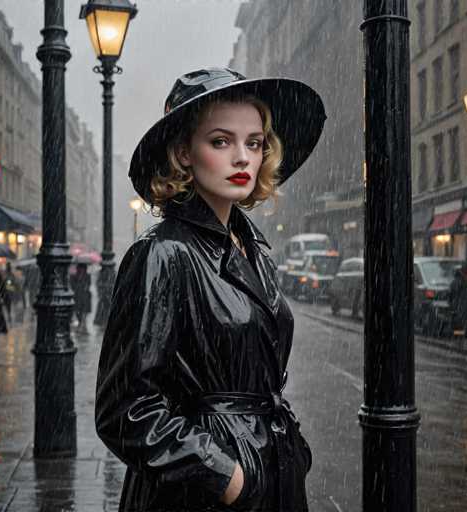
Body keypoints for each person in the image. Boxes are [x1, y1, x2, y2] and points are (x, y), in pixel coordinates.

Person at [95, 67, 326, 511]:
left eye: (254, 143)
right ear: (184, 153)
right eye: (221, 141)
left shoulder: (255, 248)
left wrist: (287, 454)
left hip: (272, 477)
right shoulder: (162, 254)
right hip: (199, 494)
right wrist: (225, 476)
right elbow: (125, 408)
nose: (242, 157)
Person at [70, 263, 91, 333]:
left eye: (83, 268)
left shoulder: (87, 276)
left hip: (85, 297)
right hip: (77, 297)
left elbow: (88, 284)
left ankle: (82, 325)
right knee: (78, 312)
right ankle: (81, 324)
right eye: (80, 268)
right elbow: (72, 286)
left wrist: (85, 286)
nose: (82, 270)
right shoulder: (73, 276)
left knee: (84, 312)